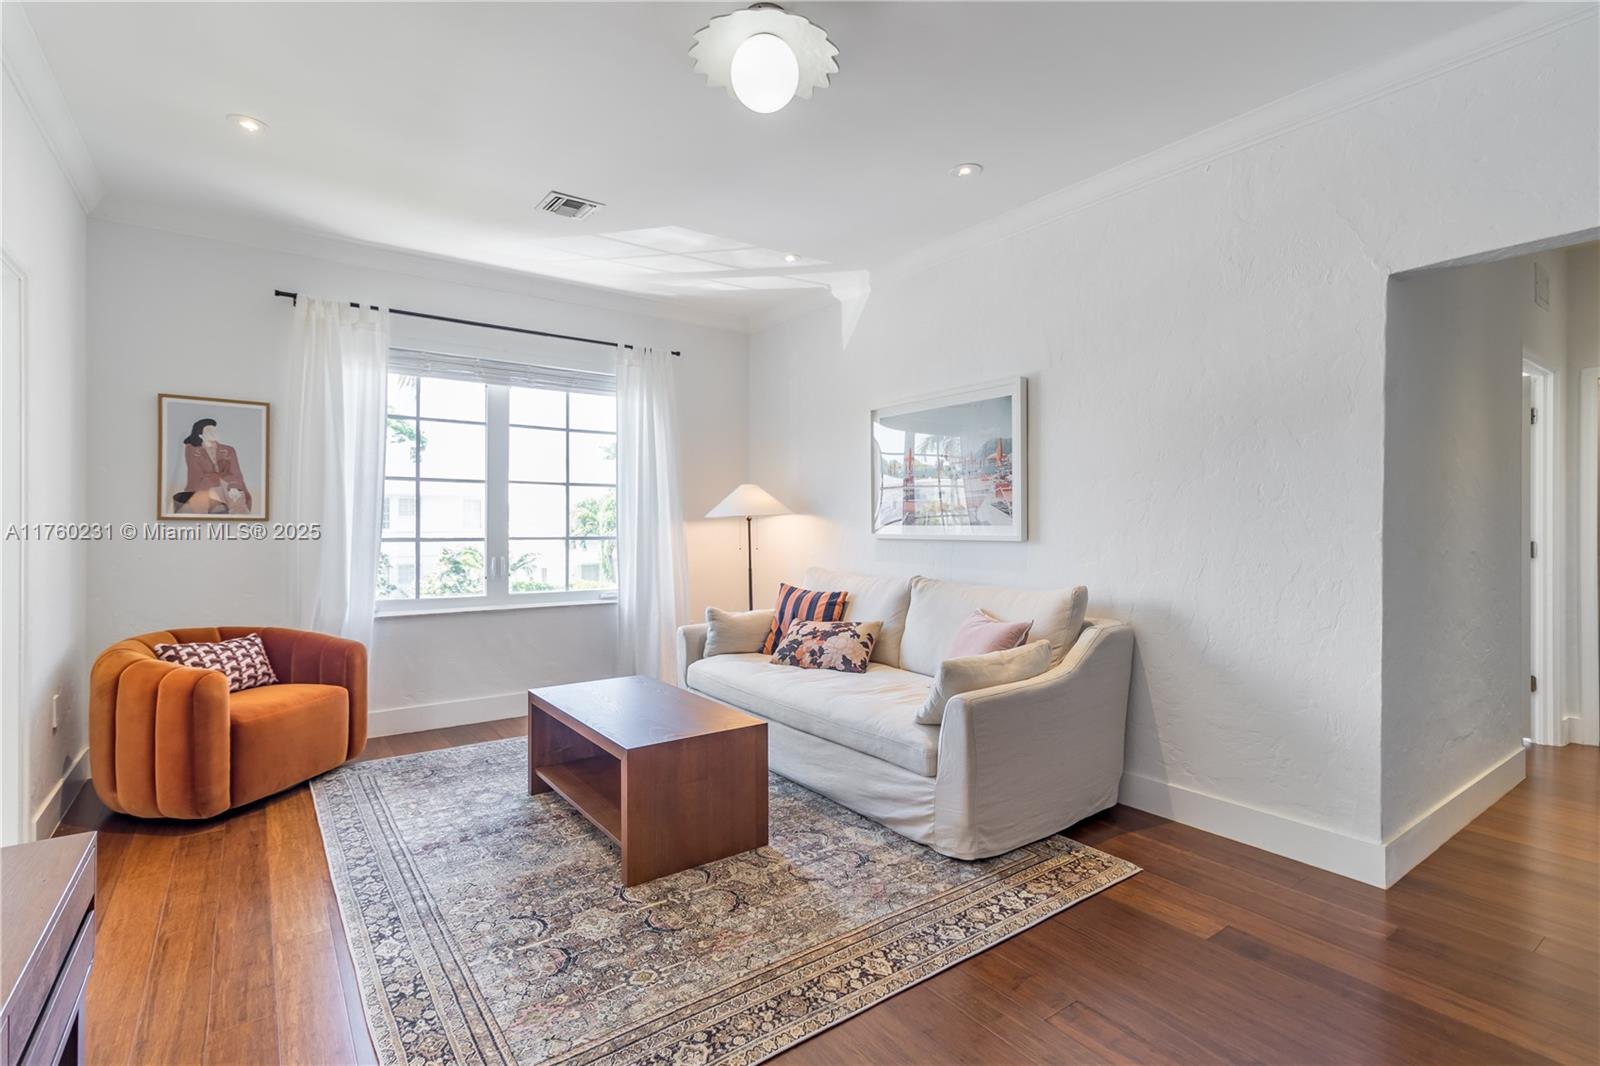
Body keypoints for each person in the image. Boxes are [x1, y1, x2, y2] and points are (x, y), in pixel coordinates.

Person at [172, 417, 252, 515]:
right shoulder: (192, 450)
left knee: (237, 498)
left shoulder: (229, 450)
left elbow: (235, 472)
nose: (214, 432)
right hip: (204, 484)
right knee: (205, 502)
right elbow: (195, 474)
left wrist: (233, 487)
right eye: (209, 430)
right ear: (200, 434)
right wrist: (214, 487)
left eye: (214, 429)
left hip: (228, 482)